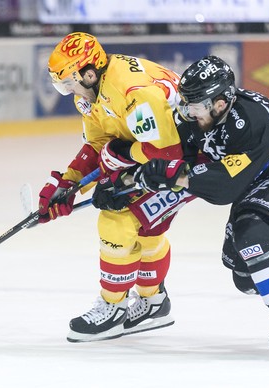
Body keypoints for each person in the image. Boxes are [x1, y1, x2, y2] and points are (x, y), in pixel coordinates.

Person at [133, 55, 269, 359]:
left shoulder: (255, 119)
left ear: (219, 103)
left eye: (195, 106)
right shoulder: (200, 116)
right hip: (256, 179)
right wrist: (131, 179)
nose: (188, 112)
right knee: (242, 269)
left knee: (253, 238)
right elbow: (185, 158)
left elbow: (225, 187)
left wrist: (174, 176)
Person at [38, 32, 194, 343]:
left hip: (187, 162)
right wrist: (68, 183)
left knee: (116, 219)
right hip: (161, 156)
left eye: (69, 80)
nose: (67, 90)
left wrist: (121, 157)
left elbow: (166, 154)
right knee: (145, 227)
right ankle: (153, 302)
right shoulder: (91, 94)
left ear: (90, 72)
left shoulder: (132, 92)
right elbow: (98, 145)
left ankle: (112, 308)